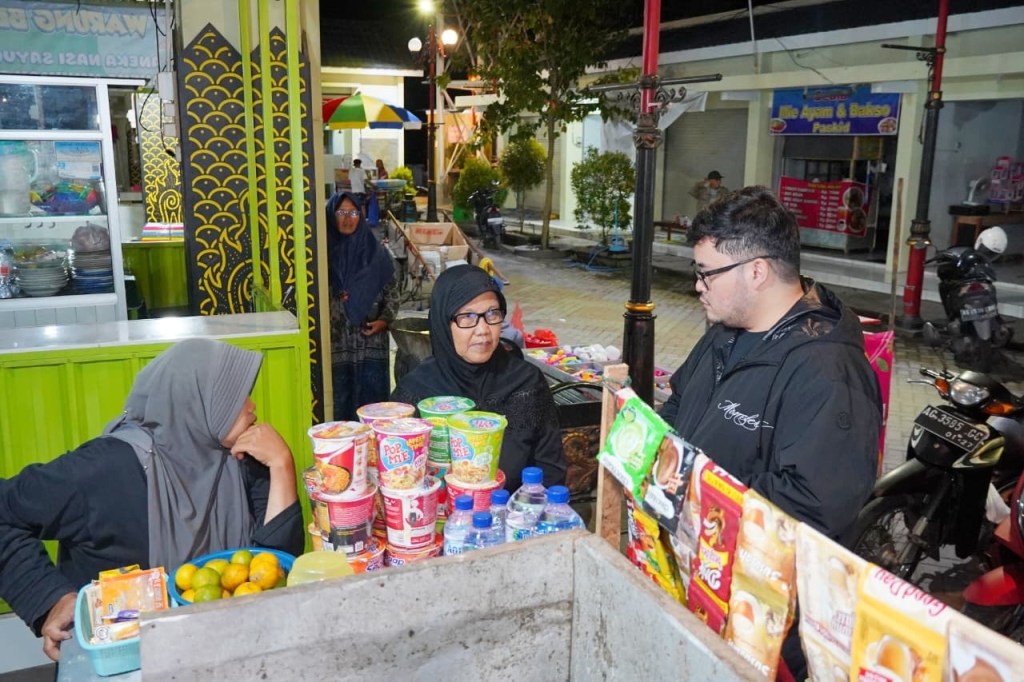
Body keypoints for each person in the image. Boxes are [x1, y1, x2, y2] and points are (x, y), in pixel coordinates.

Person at [660, 187, 881, 679]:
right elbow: (678, 401)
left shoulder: (827, 371)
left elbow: (816, 502)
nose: (698, 285)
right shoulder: (724, 332)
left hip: (766, 612)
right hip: (699, 571)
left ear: (756, 271)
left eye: (707, 273)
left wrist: (699, 493)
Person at [0, 338, 304, 661]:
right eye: (234, 395)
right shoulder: (105, 471)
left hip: (229, 650)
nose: (252, 406)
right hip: (126, 661)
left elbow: (273, 571)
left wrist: (282, 465)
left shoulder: (241, 459)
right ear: (193, 402)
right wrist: (50, 598)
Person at [390, 264, 567, 492]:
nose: (483, 329)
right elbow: (396, 475)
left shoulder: (525, 383)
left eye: (492, 314)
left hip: (512, 511)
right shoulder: (417, 390)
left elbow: (551, 471)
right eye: (467, 317)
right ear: (443, 323)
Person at [327, 191, 400, 420]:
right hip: (336, 345)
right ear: (331, 214)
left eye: (353, 212)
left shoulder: (377, 253)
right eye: (341, 212)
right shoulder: (321, 254)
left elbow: (393, 294)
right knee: (338, 407)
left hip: (371, 343)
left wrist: (384, 320)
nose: (347, 219)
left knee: (374, 408)